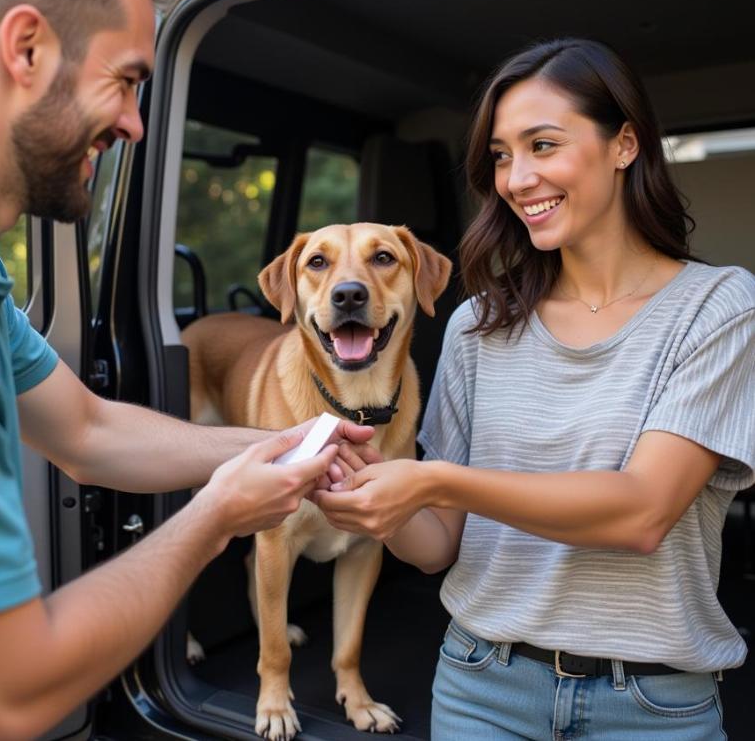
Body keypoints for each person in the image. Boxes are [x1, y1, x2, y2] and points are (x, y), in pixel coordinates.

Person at [0, 0, 375, 741]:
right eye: (127, 81)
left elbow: (89, 432)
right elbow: (5, 697)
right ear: (25, 50)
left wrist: (285, 447)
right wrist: (217, 515)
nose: (136, 124)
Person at [314, 38, 755, 739]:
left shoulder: (719, 308)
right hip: (479, 686)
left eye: (542, 145)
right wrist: (373, 494)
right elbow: (437, 548)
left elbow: (641, 514)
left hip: (651, 708)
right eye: (500, 155)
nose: (517, 179)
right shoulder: (475, 327)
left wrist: (432, 483)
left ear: (624, 144)